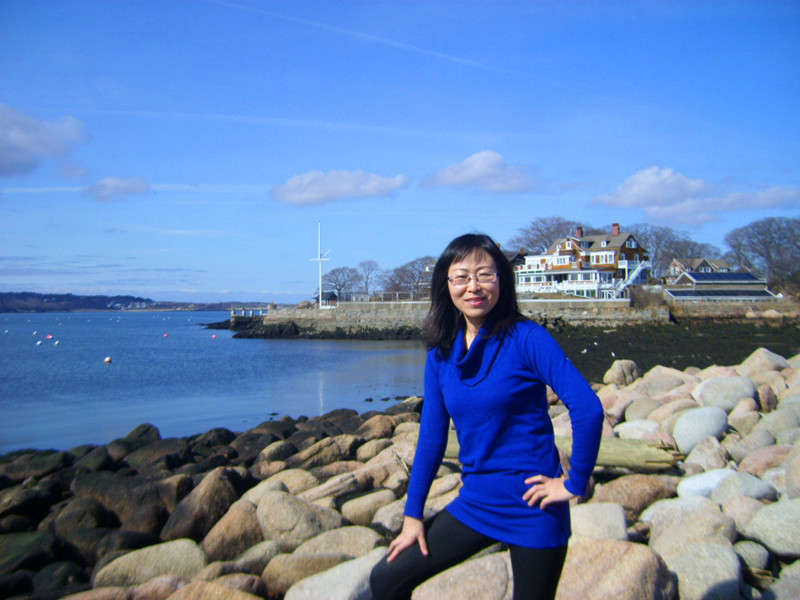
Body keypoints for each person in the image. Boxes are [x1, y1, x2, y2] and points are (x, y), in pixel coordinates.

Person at [369, 233, 605, 600]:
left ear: (502, 281)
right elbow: (432, 436)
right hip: (476, 502)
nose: (473, 287)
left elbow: (588, 408)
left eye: (485, 275)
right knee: (386, 580)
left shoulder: (527, 338)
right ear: (446, 285)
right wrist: (413, 515)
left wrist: (574, 483)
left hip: (534, 507)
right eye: (461, 277)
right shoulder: (440, 353)